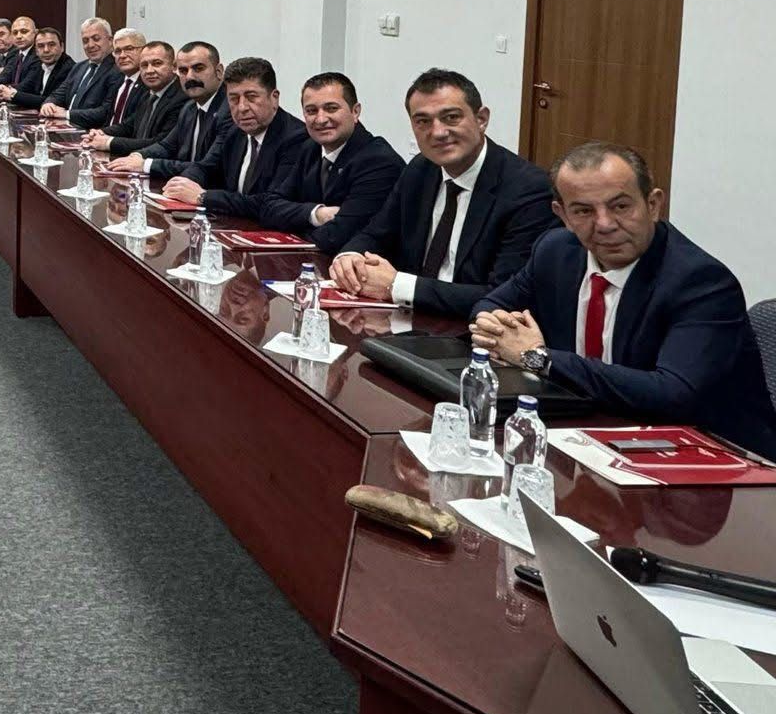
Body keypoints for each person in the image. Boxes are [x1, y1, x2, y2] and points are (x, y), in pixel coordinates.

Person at [470, 143, 776, 456]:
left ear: (653, 204)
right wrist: (501, 331)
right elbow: (489, 307)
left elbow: (672, 394)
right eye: (583, 211)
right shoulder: (556, 252)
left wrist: (538, 357)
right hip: (592, 430)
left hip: (713, 454)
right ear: (563, 215)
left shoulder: (701, 282)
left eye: (620, 206)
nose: (604, 224)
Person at [331, 68, 555, 318]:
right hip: (410, 319)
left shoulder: (528, 190)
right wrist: (349, 258)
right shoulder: (421, 169)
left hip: (473, 329)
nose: (438, 132)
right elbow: (376, 233)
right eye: (423, 121)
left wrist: (397, 285)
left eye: (451, 117)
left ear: (481, 119)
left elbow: (504, 296)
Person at [250, 72, 404, 254]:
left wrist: (291, 226)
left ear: (355, 111)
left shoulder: (379, 161)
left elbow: (337, 237)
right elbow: (268, 207)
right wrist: (316, 214)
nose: (321, 119)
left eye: (331, 108)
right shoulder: (310, 148)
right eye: (311, 111)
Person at [155, 57, 307, 217]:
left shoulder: (296, 138)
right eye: (234, 99)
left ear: (274, 97)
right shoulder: (235, 131)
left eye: (251, 97)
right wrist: (182, 184)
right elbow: (205, 168)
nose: (242, 107)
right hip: (231, 223)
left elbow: (269, 203)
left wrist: (203, 197)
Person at [108, 41, 225, 176]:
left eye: (198, 68)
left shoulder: (229, 110)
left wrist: (145, 165)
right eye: (183, 71)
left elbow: (208, 166)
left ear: (219, 71)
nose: (190, 77)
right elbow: (166, 145)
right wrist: (137, 156)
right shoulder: (189, 108)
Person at [87, 40, 185, 156]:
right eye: (144, 65)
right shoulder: (148, 93)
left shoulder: (182, 98)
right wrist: (99, 133)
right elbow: (129, 125)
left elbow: (160, 143)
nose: (149, 71)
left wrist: (109, 142)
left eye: (157, 63)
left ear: (174, 66)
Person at [68, 26, 143, 132]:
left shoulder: (147, 84)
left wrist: (103, 135)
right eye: (117, 51)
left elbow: (131, 125)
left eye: (129, 49)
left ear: (143, 51)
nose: (122, 55)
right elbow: (109, 116)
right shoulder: (120, 81)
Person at [43, 18, 115, 122]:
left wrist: (67, 114)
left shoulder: (117, 70)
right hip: (64, 125)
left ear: (110, 40)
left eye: (96, 39)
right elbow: (58, 94)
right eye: (85, 41)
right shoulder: (79, 67)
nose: (90, 45)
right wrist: (49, 104)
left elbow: (105, 112)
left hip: (90, 129)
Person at [5, 27, 75, 109]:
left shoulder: (69, 68)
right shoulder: (39, 64)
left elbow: (51, 101)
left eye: (51, 45)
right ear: (36, 50)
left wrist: (13, 95)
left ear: (62, 47)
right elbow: (26, 87)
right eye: (41, 46)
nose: (46, 50)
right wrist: (5, 90)